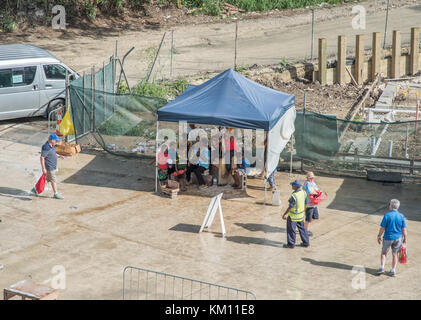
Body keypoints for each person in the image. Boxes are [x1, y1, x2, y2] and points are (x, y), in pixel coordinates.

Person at [376, 199, 407, 277]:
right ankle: (393, 270)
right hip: (398, 238)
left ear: (390, 206)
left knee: (384, 253)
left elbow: (382, 228)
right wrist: (405, 238)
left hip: (388, 237)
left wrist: (379, 236)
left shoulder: (387, 215)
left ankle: (382, 267)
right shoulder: (401, 216)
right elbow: (404, 229)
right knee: (395, 254)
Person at [31, 133, 64, 199]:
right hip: (49, 167)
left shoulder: (52, 145)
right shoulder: (46, 147)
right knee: (53, 180)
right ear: (51, 140)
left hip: (52, 166)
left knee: (46, 179)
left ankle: (35, 188)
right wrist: (43, 168)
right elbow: (42, 157)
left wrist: (59, 156)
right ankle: (56, 194)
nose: (56, 141)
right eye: (55, 140)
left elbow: (53, 153)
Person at [282, 180, 310, 248]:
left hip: (293, 217)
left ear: (295, 187)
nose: (291, 186)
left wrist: (285, 214)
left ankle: (291, 244)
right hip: (300, 216)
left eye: (292, 185)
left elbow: (290, 206)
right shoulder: (304, 193)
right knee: (302, 229)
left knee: (291, 230)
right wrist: (303, 211)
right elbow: (306, 203)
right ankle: (306, 242)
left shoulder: (294, 195)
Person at [303, 171, 320, 237]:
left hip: (314, 203)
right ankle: (305, 230)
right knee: (308, 218)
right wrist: (317, 193)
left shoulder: (313, 183)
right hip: (309, 204)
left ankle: (304, 226)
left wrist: (317, 192)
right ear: (307, 178)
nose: (312, 179)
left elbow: (317, 190)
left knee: (315, 217)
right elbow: (311, 192)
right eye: (310, 178)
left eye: (312, 178)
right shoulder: (307, 183)